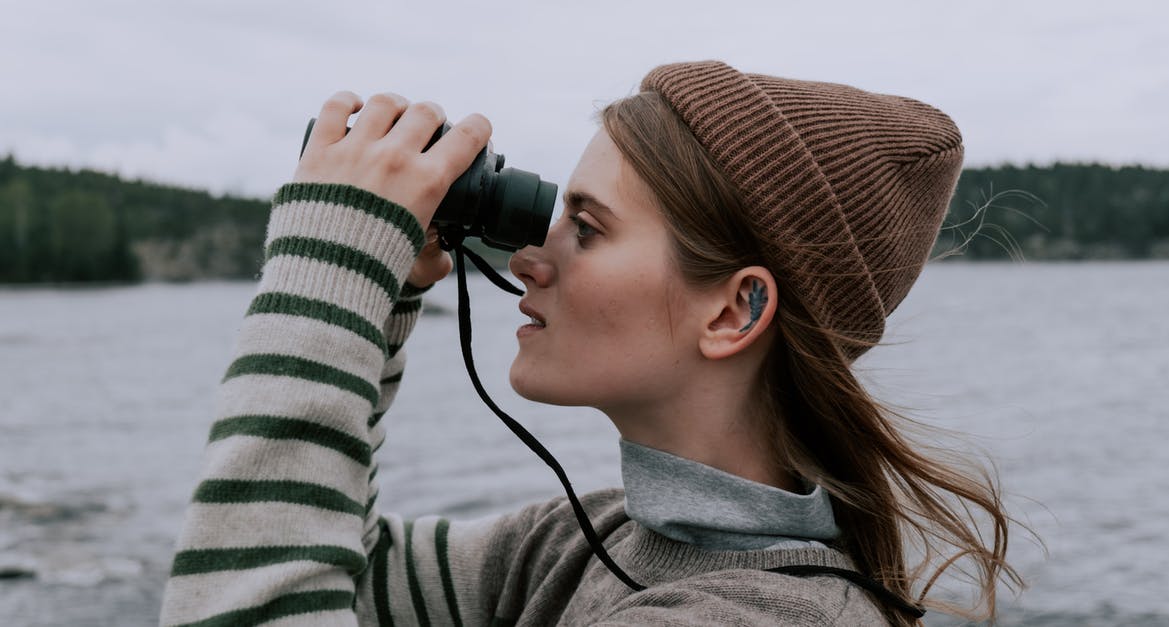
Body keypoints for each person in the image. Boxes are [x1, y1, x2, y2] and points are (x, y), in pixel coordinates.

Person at [160, 60, 1020, 626]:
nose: (529, 256)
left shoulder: (765, 615)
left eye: (588, 226)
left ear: (734, 311)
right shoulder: (582, 541)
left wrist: (323, 272)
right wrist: (379, 296)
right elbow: (340, 572)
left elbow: (245, 594)